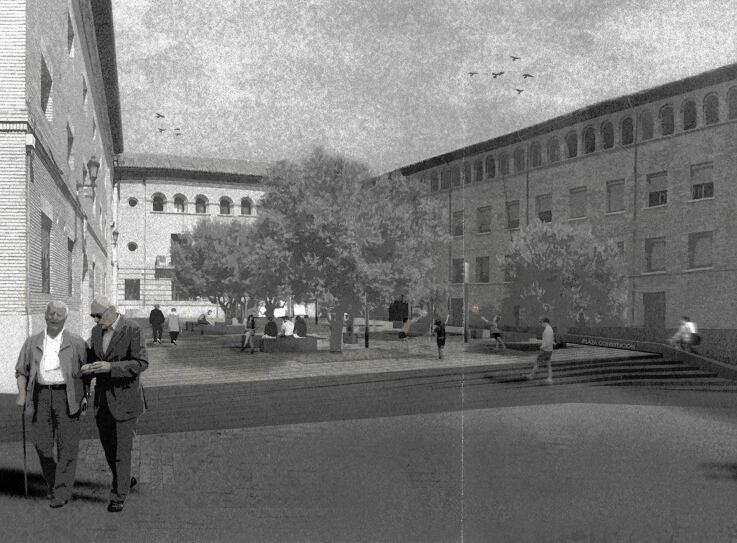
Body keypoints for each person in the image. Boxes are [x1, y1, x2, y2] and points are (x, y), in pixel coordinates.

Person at [15, 301, 88, 508]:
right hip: (40, 396)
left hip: (67, 396)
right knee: (42, 445)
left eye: (58, 314)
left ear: (65, 318)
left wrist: (84, 397)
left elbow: (87, 372)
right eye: (51, 313)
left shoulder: (77, 342)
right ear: (45, 316)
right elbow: (21, 370)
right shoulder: (32, 342)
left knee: (67, 447)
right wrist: (22, 393)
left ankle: (61, 492)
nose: (54, 317)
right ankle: (56, 483)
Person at [82, 296, 148, 513]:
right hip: (102, 402)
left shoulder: (133, 329)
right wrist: (86, 368)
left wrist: (110, 367)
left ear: (111, 311)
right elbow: (92, 357)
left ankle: (118, 495)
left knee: (122, 450)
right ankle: (124, 479)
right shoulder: (96, 332)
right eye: (92, 316)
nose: (94, 320)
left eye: (97, 315)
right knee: (109, 448)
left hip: (126, 400)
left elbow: (141, 363)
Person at [527, 317, 555, 385]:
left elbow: (548, 342)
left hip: (545, 350)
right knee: (548, 364)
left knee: (537, 362)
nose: (540, 324)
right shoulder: (549, 329)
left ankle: (531, 376)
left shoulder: (548, 330)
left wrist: (541, 347)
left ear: (544, 322)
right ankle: (550, 378)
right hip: (549, 350)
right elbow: (551, 340)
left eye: (541, 322)